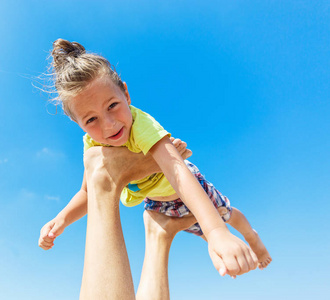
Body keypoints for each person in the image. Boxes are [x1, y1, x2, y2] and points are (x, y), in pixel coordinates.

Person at [39, 39, 271, 298]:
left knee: (226, 216)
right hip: (157, 204)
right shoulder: (91, 145)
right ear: (79, 124)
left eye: (112, 106)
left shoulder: (141, 125)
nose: (108, 125)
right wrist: (62, 219)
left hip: (186, 189)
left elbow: (175, 169)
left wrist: (217, 232)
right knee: (206, 233)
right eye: (91, 119)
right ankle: (216, 245)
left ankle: (253, 239)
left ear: (125, 94)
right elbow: (87, 193)